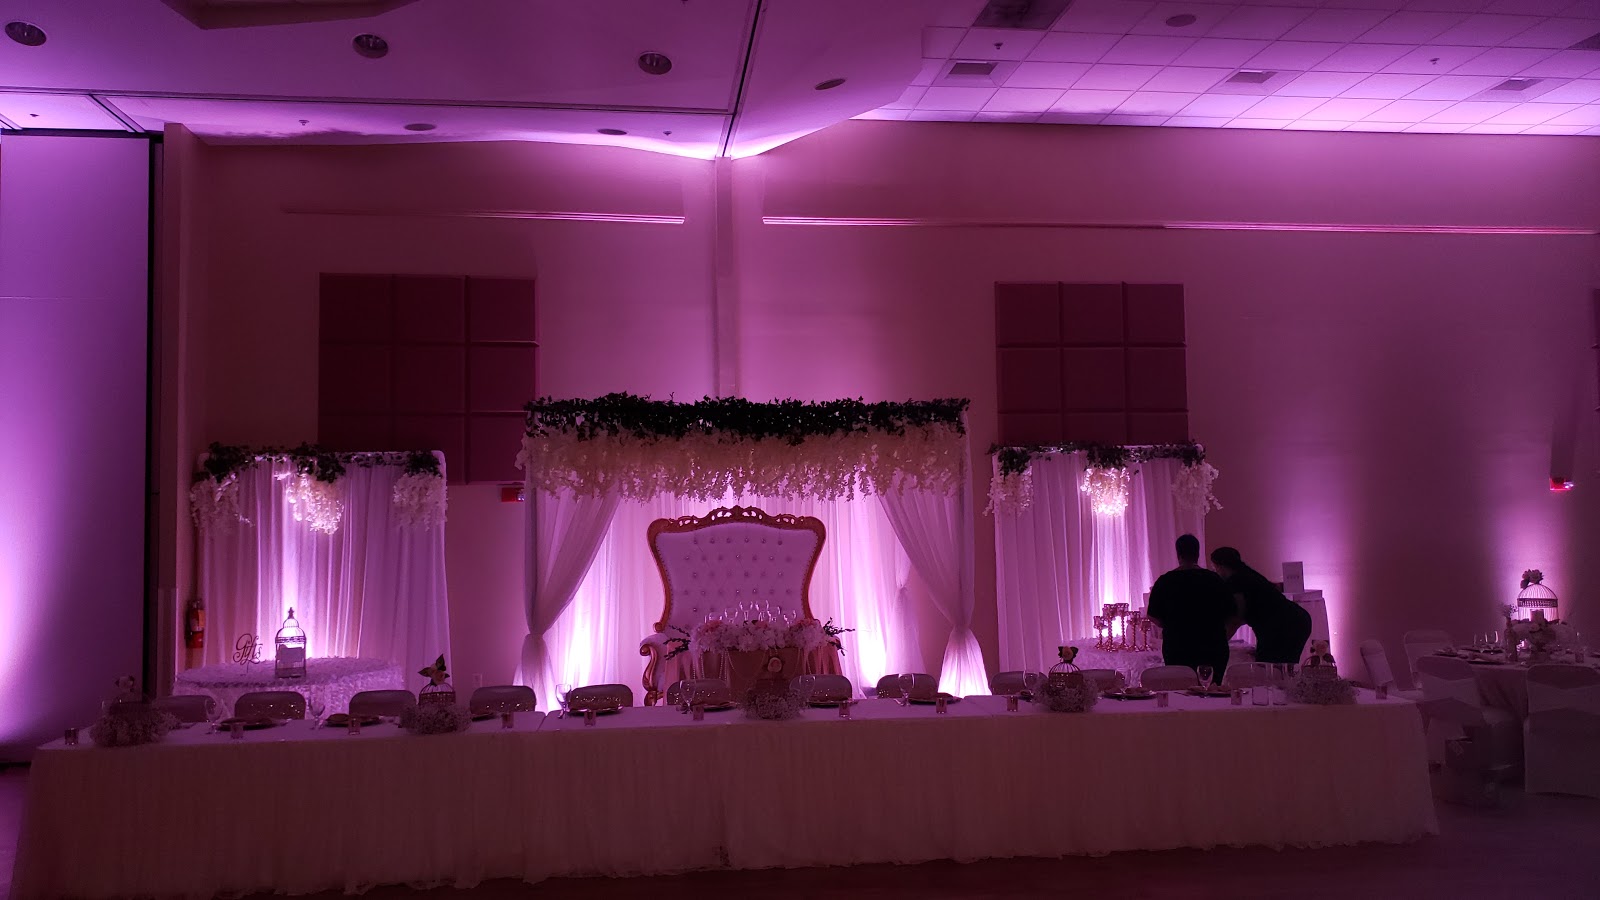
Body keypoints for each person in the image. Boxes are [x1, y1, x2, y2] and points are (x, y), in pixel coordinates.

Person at [1147, 534, 1233, 683]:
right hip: (1213, 645)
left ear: (1178, 554)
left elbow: (1153, 615)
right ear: (1197, 554)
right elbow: (1231, 611)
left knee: (1180, 689)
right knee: (1212, 690)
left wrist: (1170, 624)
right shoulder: (1214, 579)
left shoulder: (1165, 581)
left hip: (1178, 646)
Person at [1209, 546, 1312, 665]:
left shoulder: (1235, 582)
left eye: (1215, 569)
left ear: (1220, 566)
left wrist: (1219, 645)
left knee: (1270, 669)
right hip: (1297, 619)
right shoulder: (1249, 574)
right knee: (1284, 667)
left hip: (1282, 627)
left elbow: (1238, 617)